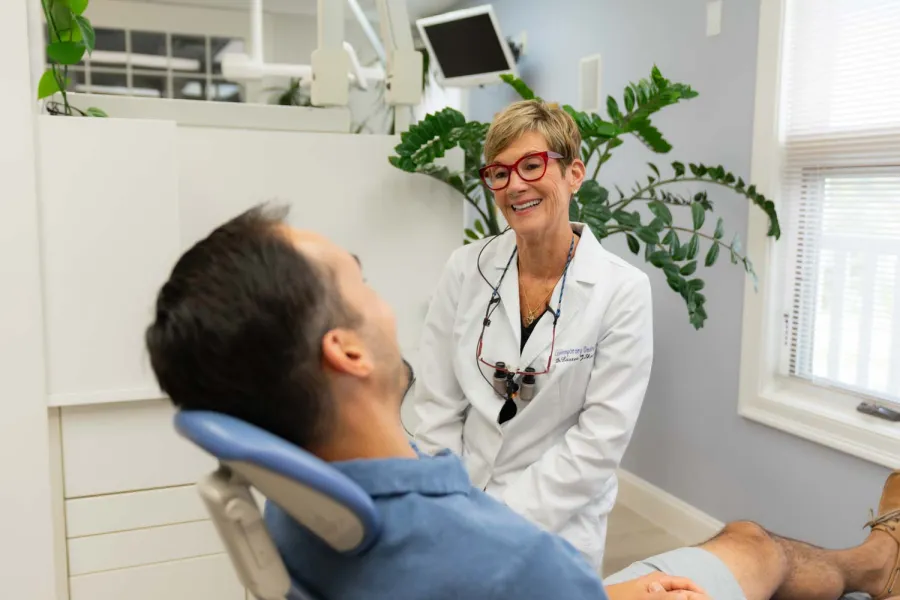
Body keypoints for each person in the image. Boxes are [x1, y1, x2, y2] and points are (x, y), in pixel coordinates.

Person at [145, 205, 899, 600]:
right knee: (753, 543)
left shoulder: (297, 512)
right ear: (344, 351)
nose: (383, 300)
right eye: (361, 279)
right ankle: (879, 561)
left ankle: (876, 562)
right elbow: (494, 558)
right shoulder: (496, 559)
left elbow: (593, 445)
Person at [411, 98, 653, 568]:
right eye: (499, 173)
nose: (514, 185)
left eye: (531, 165)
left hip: (559, 523)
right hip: (459, 505)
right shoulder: (465, 269)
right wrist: (454, 507)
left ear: (574, 173)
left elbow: (599, 440)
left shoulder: (622, 290)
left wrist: (496, 520)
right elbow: (435, 406)